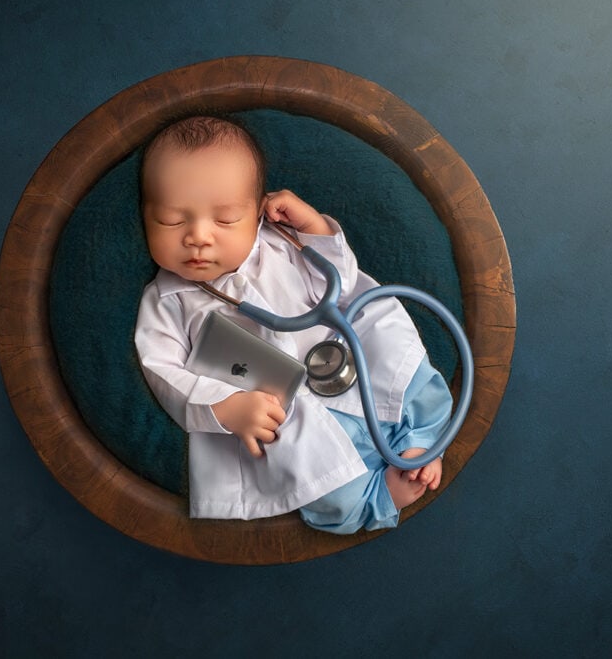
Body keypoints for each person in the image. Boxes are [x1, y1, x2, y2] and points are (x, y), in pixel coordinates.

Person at [134, 116, 453, 534]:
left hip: (342, 359)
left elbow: (338, 281)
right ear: (145, 216)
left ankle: (421, 440)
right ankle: (377, 499)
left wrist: (315, 228)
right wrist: (226, 409)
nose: (198, 237)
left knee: (390, 341)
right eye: (173, 221)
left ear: (257, 213)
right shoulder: (165, 302)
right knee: (315, 477)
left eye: (226, 219)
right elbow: (162, 372)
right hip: (276, 409)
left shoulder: (281, 243)